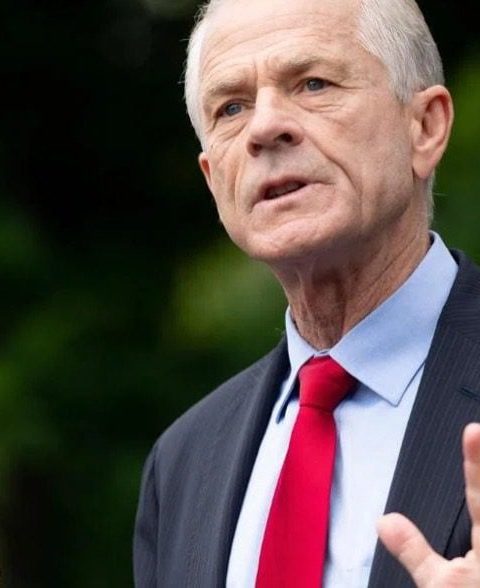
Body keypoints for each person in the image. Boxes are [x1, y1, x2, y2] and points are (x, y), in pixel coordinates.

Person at [133, 0, 480, 585]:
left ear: (425, 127)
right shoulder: (182, 462)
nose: (265, 128)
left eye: (313, 83)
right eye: (232, 107)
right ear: (214, 180)